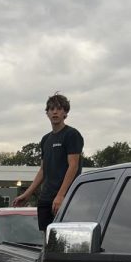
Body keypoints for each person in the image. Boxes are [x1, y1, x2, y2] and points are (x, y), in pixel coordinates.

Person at [13, 92, 84, 231]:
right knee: (45, 241)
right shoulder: (46, 139)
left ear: (65, 113)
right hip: (45, 199)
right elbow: (43, 170)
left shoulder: (72, 134)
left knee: (61, 241)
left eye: (59, 108)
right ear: (47, 113)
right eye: (51, 109)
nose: (55, 112)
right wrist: (27, 194)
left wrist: (61, 195)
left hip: (64, 199)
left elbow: (73, 166)